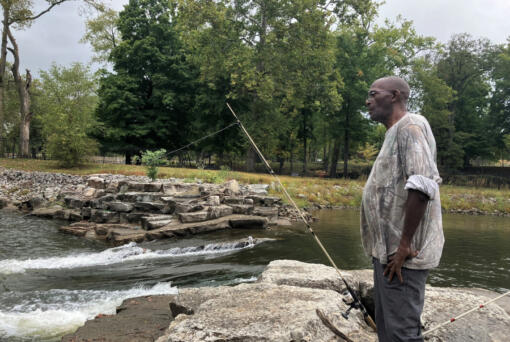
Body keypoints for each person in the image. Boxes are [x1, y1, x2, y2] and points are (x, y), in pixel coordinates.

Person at [361, 76, 444, 342]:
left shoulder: (411, 127)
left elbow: (421, 185)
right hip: (389, 255)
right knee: (389, 330)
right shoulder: (395, 132)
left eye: (374, 94)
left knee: (401, 334)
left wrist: (405, 244)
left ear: (395, 96)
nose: (368, 100)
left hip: (404, 257)